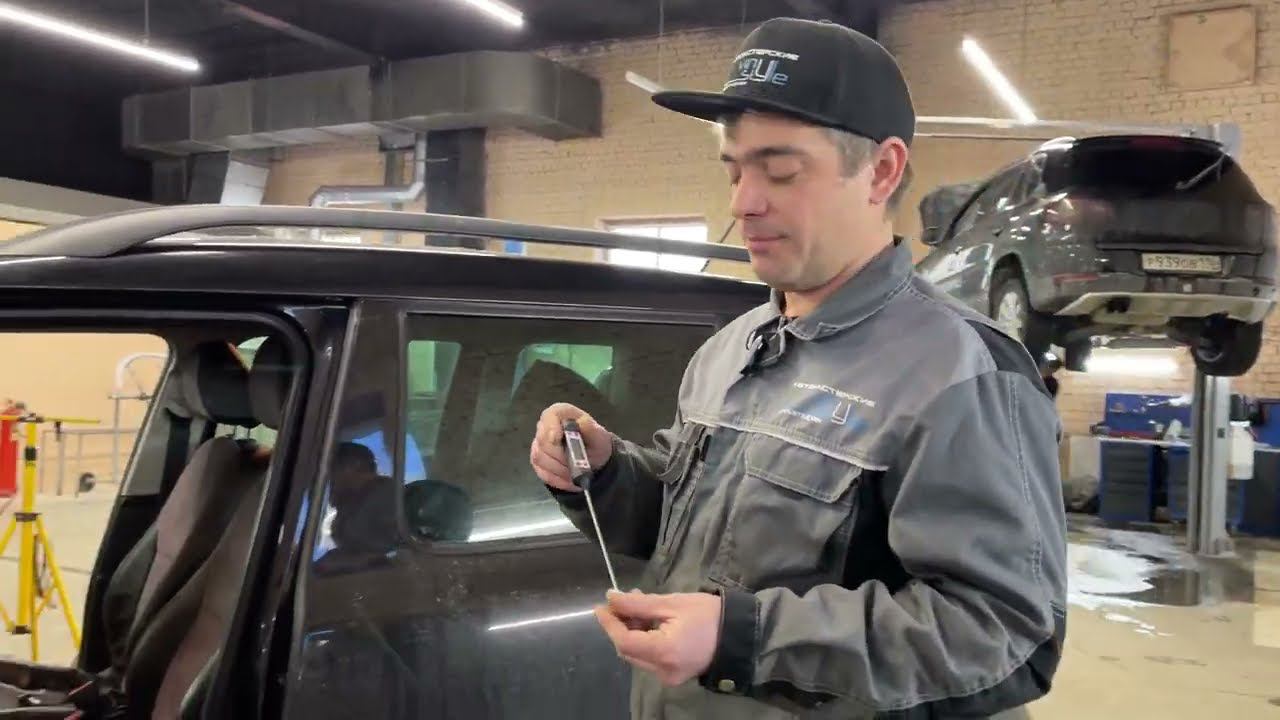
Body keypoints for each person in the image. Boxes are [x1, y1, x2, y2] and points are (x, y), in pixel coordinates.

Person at [529, 17, 1067, 720]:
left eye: (780, 171)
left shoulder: (960, 374)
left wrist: (743, 638)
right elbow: (692, 529)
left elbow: (1006, 635)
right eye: (734, 169)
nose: (742, 202)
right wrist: (605, 474)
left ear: (881, 171)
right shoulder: (731, 348)